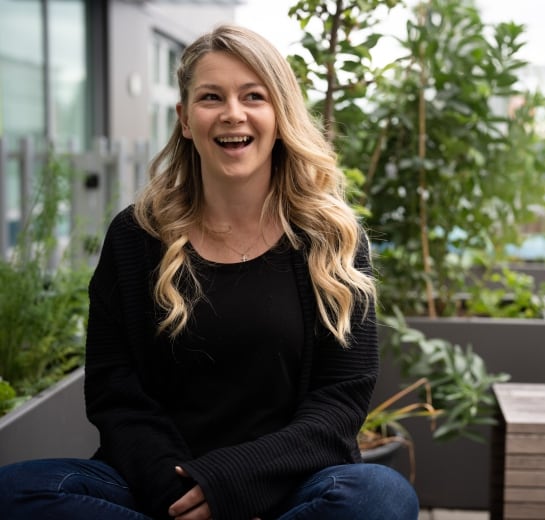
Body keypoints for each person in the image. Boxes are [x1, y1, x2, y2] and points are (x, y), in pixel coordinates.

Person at [0, 23, 419, 520]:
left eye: (253, 96)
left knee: (381, 496)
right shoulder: (136, 237)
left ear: (280, 114)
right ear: (184, 118)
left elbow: (339, 405)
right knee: (17, 491)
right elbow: (115, 393)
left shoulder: (332, 241)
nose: (232, 114)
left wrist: (227, 486)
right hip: (158, 488)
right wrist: (180, 497)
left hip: (290, 486)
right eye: (211, 97)